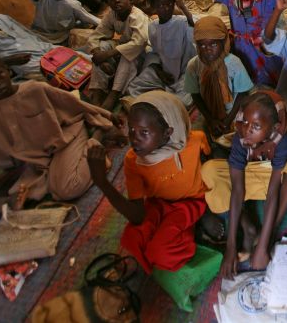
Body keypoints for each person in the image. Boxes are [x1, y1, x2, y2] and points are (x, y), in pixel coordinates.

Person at [87, 91, 222, 273]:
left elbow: (212, 168)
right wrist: (102, 182)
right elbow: (138, 216)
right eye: (131, 129)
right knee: (131, 239)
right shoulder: (133, 160)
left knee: (160, 252)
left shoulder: (194, 141)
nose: (134, 138)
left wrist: (210, 207)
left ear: (167, 133)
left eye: (144, 132)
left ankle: (197, 220)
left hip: (189, 202)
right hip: (157, 205)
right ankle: (187, 231)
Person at [0, 51, 115, 207]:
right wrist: (14, 160)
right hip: (35, 156)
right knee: (21, 196)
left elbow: (75, 105)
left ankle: (95, 143)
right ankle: (55, 172)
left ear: (7, 69)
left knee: (67, 189)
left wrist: (106, 117)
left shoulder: (34, 89)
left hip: (66, 138)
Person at [201, 91, 287, 277]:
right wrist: (231, 247)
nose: (248, 129)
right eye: (246, 122)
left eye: (256, 126)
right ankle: (248, 226)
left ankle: (268, 233)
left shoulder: (282, 141)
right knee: (209, 171)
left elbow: (273, 192)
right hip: (250, 176)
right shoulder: (240, 138)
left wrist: (264, 245)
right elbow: (237, 189)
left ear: (273, 127)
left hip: (272, 180)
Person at [185, 16, 253, 138]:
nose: (208, 50)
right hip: (207, 111)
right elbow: (195, 94)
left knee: (245, 134)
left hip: (234, 110)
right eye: (202, 45)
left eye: (213, 44)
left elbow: (243, 94)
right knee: (196, 135)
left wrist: (227, 121)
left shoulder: (234, 63)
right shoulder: (193, 65)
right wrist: (210, 119)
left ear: (224, 43)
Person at [126, 0, 196, 101]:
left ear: (175, 3)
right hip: (165, 72)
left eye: (169, 4)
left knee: (184, 99)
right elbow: (155, 53)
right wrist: (159, 72)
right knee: (134, 87)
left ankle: (165, 99)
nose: (166, 8)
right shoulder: (153, 27)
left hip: (186, 72)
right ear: (153, 6)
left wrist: (183, 7)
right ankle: (165, 96)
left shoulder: (183, 22)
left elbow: (198, 29)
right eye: (160, 5)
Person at [87, 0, 149, 110]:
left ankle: (114, 94)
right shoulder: (112, 14)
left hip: (144, 53)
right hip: (124, 47)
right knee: (102, 46)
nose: (116, 1)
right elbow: (95, 35)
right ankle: (97, 92)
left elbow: (139, 43)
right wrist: (100, 56)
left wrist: (108, 54)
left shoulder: (137, 16)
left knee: (128, 57)